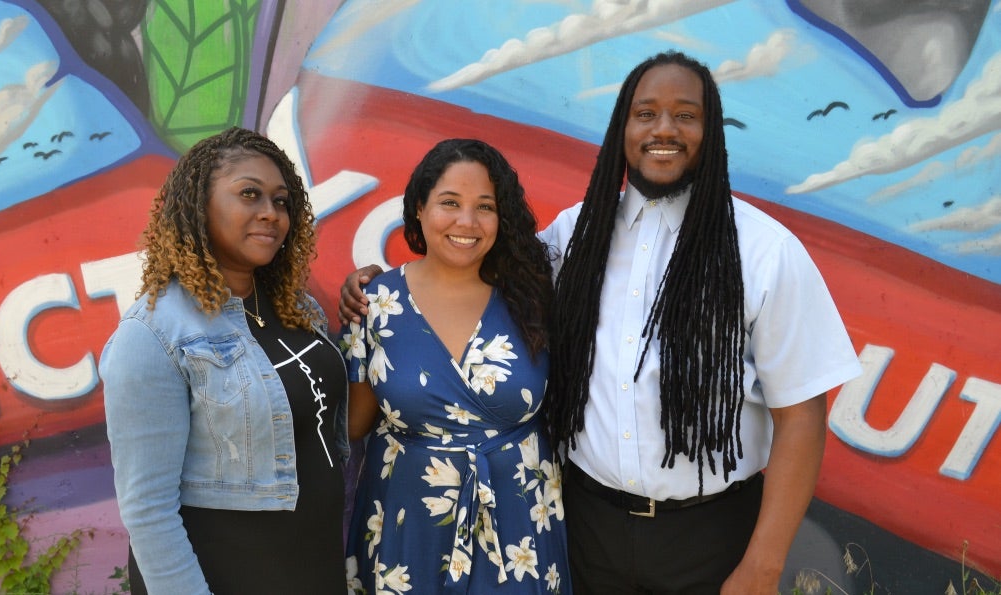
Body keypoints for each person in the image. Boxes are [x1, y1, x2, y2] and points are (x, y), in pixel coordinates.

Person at [341, 51, 862, 594]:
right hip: (586, 529)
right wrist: (378, 286)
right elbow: (471, 266)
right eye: (646, 114)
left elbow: (801, 416)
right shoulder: (576, 237)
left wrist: (765, 563)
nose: (664, 129)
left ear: (712, 132)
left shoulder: (764, 252)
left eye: (686, 115)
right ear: (621, 128)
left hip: (710, 537)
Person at [100, 127, 348, 594]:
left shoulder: (297, 309)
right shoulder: (153, 334)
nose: (271, 214)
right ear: (199, 206)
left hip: (314, 566)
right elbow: (148, 509)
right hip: (230, 573)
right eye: (249, 195)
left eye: (281, 201)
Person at [341, 138, 570, 594]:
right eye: (449, 203)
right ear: (419, 209)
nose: (467, 222)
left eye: (485, 206)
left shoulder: (534, 300)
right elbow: (355, 425)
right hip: (407, 522)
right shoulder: (375, 304)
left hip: (519, 520)